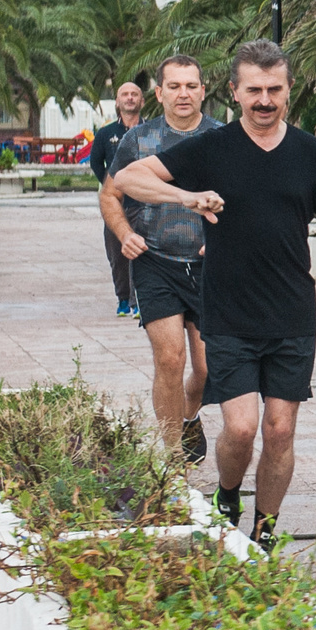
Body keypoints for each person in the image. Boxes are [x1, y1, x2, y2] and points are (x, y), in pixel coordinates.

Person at [112, 40, 316, 547]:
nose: (265, 100)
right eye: (254, 90)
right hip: (228, 312)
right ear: (235, 92)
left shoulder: (310, 153)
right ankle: (227, 492)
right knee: (241, 430)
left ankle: (264, 533)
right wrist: (185, 196)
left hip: (291, 314)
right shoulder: (212, 147)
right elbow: (129, 177)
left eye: (274, 90)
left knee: (280, 430)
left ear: (289, 90)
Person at [99, 57, 218, 464]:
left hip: (209, 268)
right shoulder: (139, 140)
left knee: (207, 368)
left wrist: (224, 239)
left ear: (203, 91)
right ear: (160, 93)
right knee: (170, 358)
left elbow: (246, 198)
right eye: (174, 86)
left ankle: (189, 415)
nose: (183, 94)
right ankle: (172, 460)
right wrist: (125, 234)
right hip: (155, 261)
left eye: (191, 85)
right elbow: (110, 195)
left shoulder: (223, 138)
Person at [89, 76, 148, 318]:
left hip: (145, 202)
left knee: (142, 253)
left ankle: (139, 301)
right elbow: (95, 162)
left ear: (142, 101)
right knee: (117, 254)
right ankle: (123, 299)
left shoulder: (151, 132)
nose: (130, 98)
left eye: (134, 94)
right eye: (125, 94)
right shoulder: (106, 134)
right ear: (117, 102)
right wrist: (112, 188)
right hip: (117, 205)